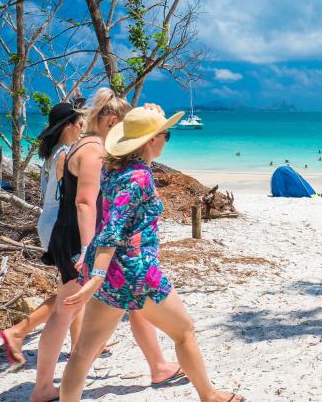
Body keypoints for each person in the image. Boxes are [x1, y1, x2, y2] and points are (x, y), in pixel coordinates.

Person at [59, 107, 244, 402]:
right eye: (165, 135)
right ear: (150, 141)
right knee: (184, 331)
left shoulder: (112, 168)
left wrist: (99, 273)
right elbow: (113, 227)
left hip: (112, 272)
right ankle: (209, 396)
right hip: (136, 271)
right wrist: (95, 276)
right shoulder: (139, 177)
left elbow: (111, 225)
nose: (167, 140)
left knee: (82, 351)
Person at [29, 90, 180, 402]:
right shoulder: (95, 149)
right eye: (123, 130)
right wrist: (89, 250)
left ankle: (158, 365)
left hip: (79, 235)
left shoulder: (84, 143)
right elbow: (86, 202)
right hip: (81, 238)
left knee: (129, 304)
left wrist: (150, 113)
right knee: (65, 311)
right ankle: (43, 386)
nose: (126, 140)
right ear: (111, 122)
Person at [0, 102, 84, 365]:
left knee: (74, 283)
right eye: (80, 122)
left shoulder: (55, 153)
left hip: (51, 219)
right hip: (62, 222)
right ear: (68, 125)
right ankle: (19, 331)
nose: (83, 126)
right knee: (73, 288)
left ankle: (80, 344)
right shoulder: (65, 155)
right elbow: (77, 191)